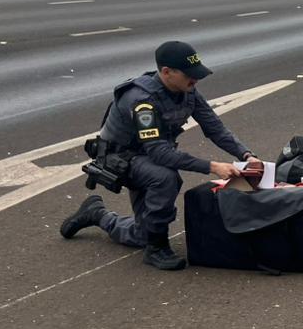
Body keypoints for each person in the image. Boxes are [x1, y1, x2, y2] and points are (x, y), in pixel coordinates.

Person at [59, 40, 255, 271]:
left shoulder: (187, 91)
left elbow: (215, 128)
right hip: (119, 160)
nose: (196, 79)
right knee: (164, 177)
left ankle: (97, 214)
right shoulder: (142, 100)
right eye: (189, 74)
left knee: (141, 234)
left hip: (146, 156)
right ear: (167, 72)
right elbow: (159, 153)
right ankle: (156, 249)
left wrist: (246, 155)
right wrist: (212, 166)